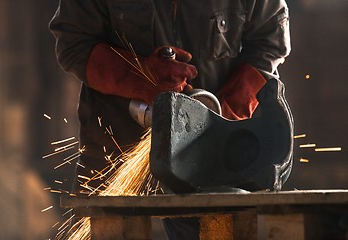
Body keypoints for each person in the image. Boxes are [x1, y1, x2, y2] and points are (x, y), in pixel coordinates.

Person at [50, 0, 291, 239]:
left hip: (213, 157)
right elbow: (74, 44)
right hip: (118, 148)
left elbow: (269, 42)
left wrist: (219, 118)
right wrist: (139, 74)